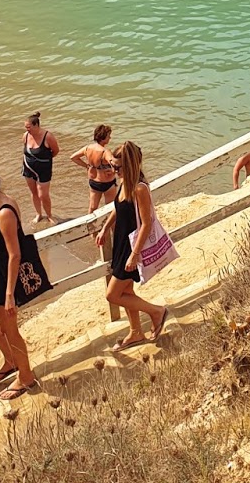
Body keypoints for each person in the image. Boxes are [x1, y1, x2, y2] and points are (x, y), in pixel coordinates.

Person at [0, 161, 48, 399]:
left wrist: (10, 294)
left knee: (10, 330)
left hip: (6, 279)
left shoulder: (4, 211)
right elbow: (2, 240)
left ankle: (26, 378)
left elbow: (15, 254)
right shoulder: (0, 203)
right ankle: (10, 359)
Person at [98, 141, 169, 348]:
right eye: (113, 165)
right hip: (121, 242)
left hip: (131, 246)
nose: (114, 170)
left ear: (128, 166)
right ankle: (135, 332)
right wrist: (104, 228)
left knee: (112, 294)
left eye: (118, 167)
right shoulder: (125, 185)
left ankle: (157, 311)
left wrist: (135, 254)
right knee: (126, 292)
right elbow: (117, 208)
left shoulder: (139, 188)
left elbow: (147, 223)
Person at [21, 113, 60, 225]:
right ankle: (38, 214)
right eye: (26, 127)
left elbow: (56, 151)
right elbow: (25, 149)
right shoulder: (26, 136)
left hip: (43, 169)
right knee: (34, 192)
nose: (27, 129)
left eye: (29, 127)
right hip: (28, 168)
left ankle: (49, 215)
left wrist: (44, 160)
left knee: (43, 195)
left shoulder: (48, 136)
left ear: (36, 125)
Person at [72, 125, 119, 213]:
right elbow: (115, 164)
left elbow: (73, 157)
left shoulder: (87, 148)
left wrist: (86, 165)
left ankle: (90, 225)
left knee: (92, 207)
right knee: (110, 208)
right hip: (107, 183)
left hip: (94, 182)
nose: (110, 138)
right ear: (103, 137)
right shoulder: (105, 152)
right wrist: (113, 171)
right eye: (108, 136)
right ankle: (111, 226)